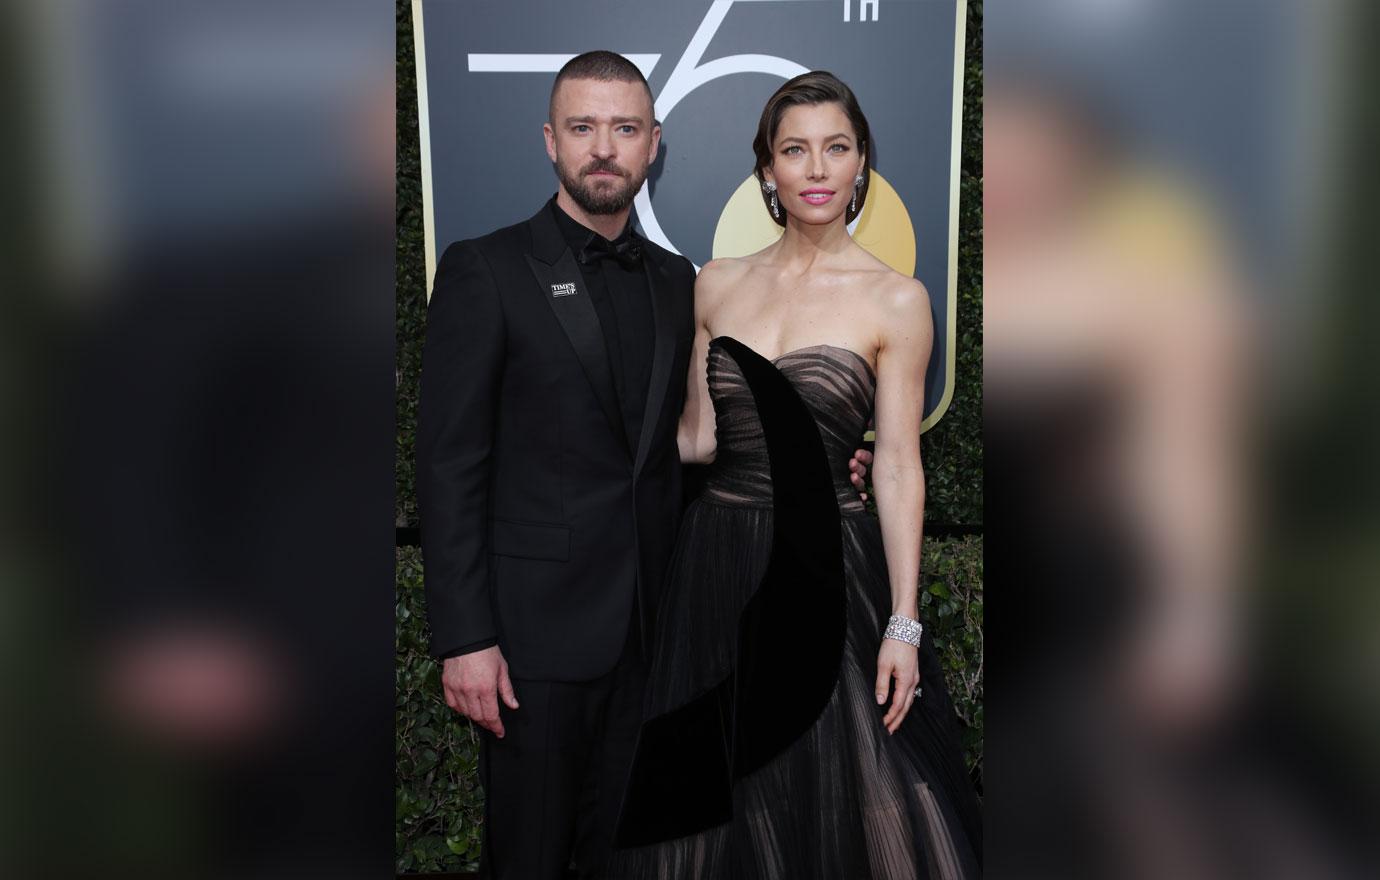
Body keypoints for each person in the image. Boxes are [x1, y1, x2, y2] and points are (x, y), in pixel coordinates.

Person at [417, 52, 873, 879]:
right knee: (528, 857)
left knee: (639, 858)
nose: (604, 148)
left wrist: (820, 451)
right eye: (584, 128)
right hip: (532, 647)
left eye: (624, 129)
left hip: (662, 636)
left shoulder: (678, 282)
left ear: (653, 145)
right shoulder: (486, 269)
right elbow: (450, 467)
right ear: (549, 140)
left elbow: (703, 437)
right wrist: (466, 638)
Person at [609, 72, 982, 879]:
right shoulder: (717, 284)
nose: (817, 168)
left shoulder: (896, 299)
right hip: (719, 566)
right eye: (795, 149)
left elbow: (896, 464)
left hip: (829, 569)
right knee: (721, 799)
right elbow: (699, 439)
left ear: (861, 168)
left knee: (862, 786)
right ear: (767, 171)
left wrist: (905, 623)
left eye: (836, 148)